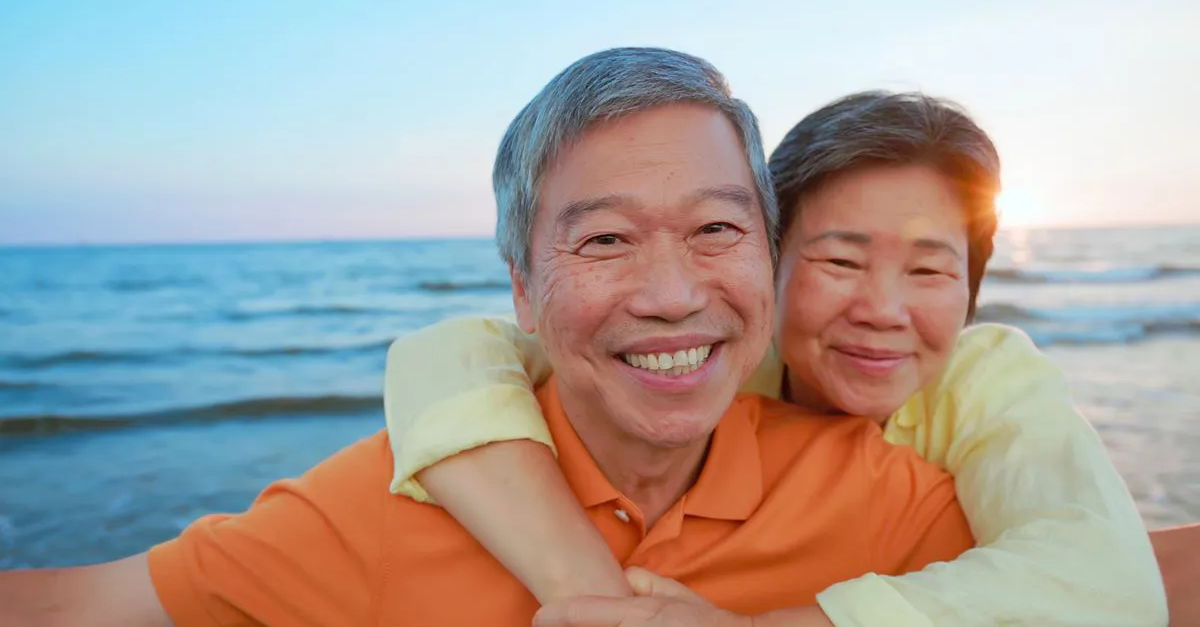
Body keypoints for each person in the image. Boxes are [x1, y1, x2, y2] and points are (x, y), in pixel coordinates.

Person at [0, 47, 982, 627]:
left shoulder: (887, 497)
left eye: (717, 229)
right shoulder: (378, 509)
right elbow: (66, 608)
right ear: (521, 287)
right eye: (604, 240)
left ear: (767, 254)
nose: (675, 294)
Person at [381, 91, 1182, 624]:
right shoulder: (704, 355)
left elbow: (1107, 583)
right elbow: (445, 357)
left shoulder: (987, 380)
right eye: (840, 261)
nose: (883, 309)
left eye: (932, 269)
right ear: (765, 257)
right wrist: (582, 588)